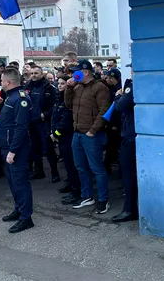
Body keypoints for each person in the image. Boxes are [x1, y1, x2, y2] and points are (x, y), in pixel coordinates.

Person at [64, 59, 110, 213]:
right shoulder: (77, 87)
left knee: (97, 168)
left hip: (91, 135)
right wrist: (69, 88)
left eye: (76, 72)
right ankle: (87, 196)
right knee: (81, 167)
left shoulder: (100, 88)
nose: (73, 75)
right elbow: (69, 105)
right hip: (77, 132)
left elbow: (104, 111)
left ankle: (103, 200)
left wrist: (93, 130)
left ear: (85, 72)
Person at [0, 67, 34, 233]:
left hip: (16, 148)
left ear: (8, 82)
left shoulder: (20, 99)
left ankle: (26, 218)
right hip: (7, 146)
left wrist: (13, 150)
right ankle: (19, 209)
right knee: (13, 181)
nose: (0, 83)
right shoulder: (10, 97)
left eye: (2, 81)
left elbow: (21, 127)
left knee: (20, 182)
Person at [25, 65, 59, 182]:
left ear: (41, 74)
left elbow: (55, 105)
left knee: (48, 149)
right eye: (32, 73)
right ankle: (39, 171)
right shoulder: (27, 86)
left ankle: (55, 173)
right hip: (31, 122)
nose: (33, 75)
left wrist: (45, 114)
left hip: (44, 123)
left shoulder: (49, 88)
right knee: (35, 148)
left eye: (36, 73)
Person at [112, 70, 138, 222]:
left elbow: (121, 106)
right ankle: (130, 208)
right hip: (133, 134)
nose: (131, 72)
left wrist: (118, 96)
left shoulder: (134, 85)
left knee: (128, 175)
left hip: (131, 137)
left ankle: (130, 210)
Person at [51, 77, 80, 205]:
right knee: (68, 166)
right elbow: (55, 117)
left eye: (63, 84)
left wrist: (56, 133)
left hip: (67, 137)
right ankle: (72, 187)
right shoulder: (58, 99)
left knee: (71, 165)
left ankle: (76, 192)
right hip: (61, 137)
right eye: (59, 83)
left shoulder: (67, 101)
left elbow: (66, 121)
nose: (59, 86)